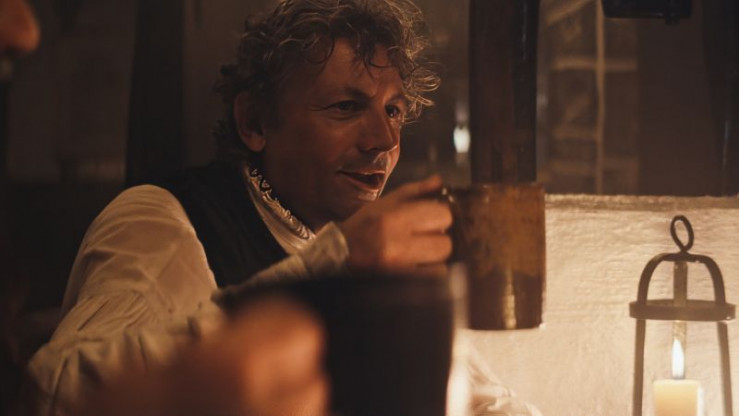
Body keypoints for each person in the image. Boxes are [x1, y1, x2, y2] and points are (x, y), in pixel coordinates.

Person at [26, 0, 541, 415]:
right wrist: (331, 270)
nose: (384, 141)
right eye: (347, 107)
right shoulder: (163, 220)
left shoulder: (350, 247)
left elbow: (478, 397)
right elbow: (56, 393)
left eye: (393, 111)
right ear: (254, 122)